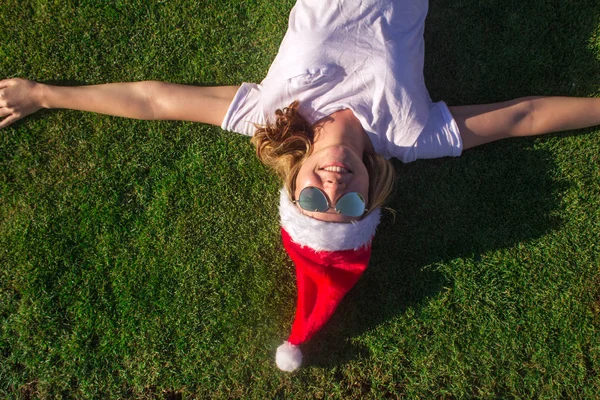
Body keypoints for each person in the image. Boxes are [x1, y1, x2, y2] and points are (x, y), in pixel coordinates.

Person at [1, 0, 599, 372]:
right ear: (373, 193)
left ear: (292, 187)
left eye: (314, 201)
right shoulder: (412, 135)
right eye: (351, 204)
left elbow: (152, 99)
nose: (334, 185)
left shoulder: (267, 116)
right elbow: (525, 115)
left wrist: (44, 94)